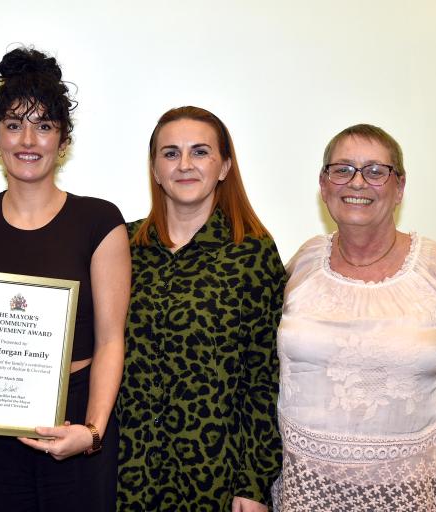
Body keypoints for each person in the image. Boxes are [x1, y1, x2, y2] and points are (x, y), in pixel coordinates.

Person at [274, 124, 436, 511]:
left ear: (400, 187)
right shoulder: (304, 263)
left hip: (416, 491)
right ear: (324, 185)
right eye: (342, 169)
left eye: (376, 171)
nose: (357, 182)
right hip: (310, 490)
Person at [0, 47, 130, 511]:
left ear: (63, 141)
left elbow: (111, 340)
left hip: (77, 424)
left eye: (44, 126)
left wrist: (92, 432)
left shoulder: (99, 221)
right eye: (13, 124)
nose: (28, 139)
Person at [117, 106, 285, 511]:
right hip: (125, 473)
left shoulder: (253, 254)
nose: (184, 165)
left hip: (214, 476)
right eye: (170, 153)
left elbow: (265, 376)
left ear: (224, 166)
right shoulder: (122, 247)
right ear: (155, 169)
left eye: (200, 152)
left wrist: (254, 482)